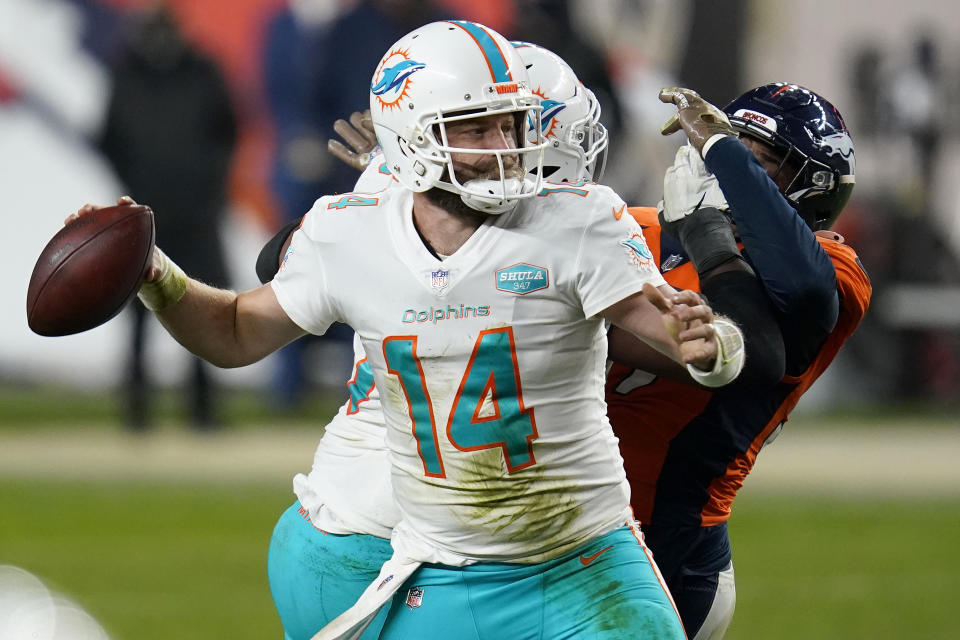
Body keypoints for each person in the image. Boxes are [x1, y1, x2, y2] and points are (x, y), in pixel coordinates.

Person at [74, 22, 745, 640]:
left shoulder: (580, 220)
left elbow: (671, 331)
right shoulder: (349, 230)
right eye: (476, 130)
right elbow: (233, 332)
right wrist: (155, 272)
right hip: (437, 567)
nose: (506, 149)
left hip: (583, 561)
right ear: (414, 139)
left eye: (511, 126)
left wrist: (711, 345)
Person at [261, 44, 785, 640]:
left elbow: (271, 260)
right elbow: (757, 358)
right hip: (453, 553)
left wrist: (390, 182)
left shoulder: (383, 218)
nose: (511, 145)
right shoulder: (554, 243)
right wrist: (711, 237)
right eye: (492, 129)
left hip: (327, 522)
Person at [605, 84, 871, 639]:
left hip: (671, 541)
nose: (722, 171)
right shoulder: (637, 229)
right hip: (570, 517)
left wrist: (719, 176)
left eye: (759, 162)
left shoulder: (834, 273)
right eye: (724, 151)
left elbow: (791, 299)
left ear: (813, 189)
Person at [98, 3, 237, 430]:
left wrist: (205, 184)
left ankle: (204, 411)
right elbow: (108, 139)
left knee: (202, 307)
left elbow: (229, 130)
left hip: (196, 215)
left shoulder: (203, 71)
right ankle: (137, 412)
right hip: (144, 218)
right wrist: (135, 187)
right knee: (138, 312)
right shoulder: (127, 74)